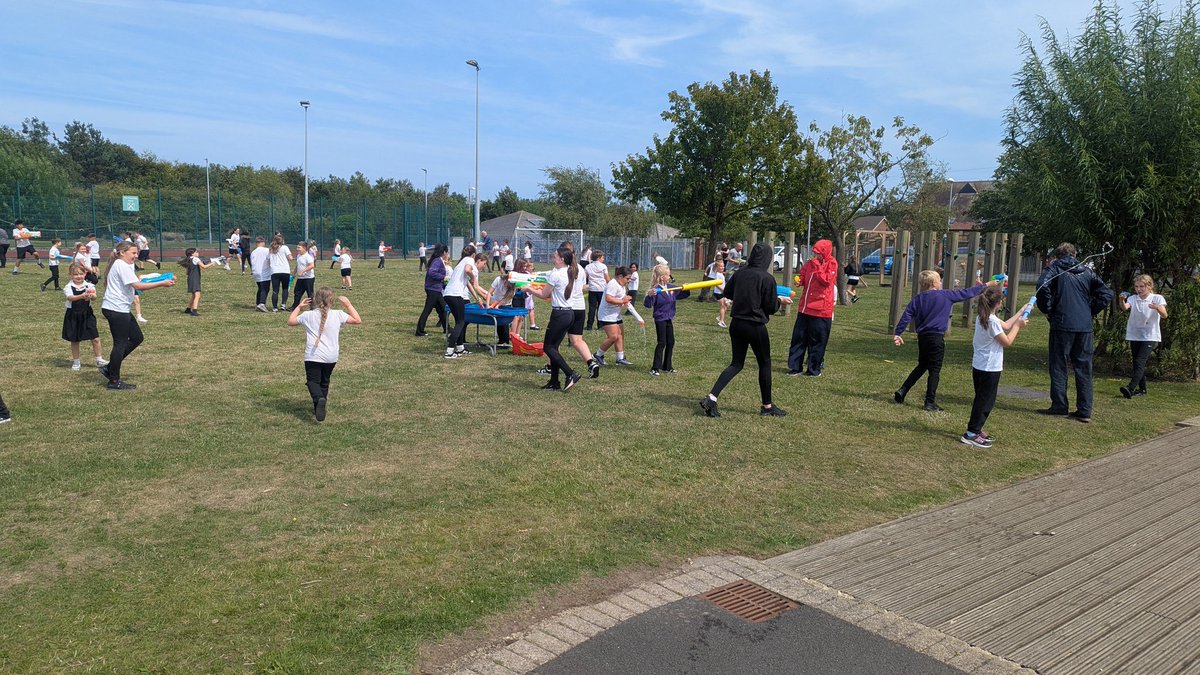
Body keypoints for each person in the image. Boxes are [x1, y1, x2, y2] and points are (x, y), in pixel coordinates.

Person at [702, 242, 791, 418]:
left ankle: (711, 398)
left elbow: (728, 292)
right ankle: (767, 406)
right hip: (755, 326)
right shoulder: (767, 278)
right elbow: (771, 307)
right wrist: (779, 301)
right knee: (764, 363)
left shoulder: (740, 273)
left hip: (736, 324)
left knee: (736, 363)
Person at [893, 270, 1001, 411]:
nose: (941, 282)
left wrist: (898, 333)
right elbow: (967, 293)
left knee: (923, 365)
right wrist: (987, 285)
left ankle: (903, 390)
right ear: (934, 283)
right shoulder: (946, 295)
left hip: (923, 338)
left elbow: (907, 314)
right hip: (936, 338)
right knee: (935, 370)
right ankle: (929, 402)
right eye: (939, 280)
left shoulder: (917, 299)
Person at [1035, 242, 1113, 423]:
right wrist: (1090, 311)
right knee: (1084, 367)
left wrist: (1048, 309)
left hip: (1062, 324)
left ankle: (1059, 406)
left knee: (1058, 365)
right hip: (1084, 326)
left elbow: (1042, 286)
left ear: (1057, 255)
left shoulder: (1055, 269)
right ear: (1075, 254)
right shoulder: (1086, 271)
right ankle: (1085, 410)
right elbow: (1106, 293)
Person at [100, 242, 175, 390]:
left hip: (120, 309)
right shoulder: (121, 264)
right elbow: (137, 286)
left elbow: (135, 283)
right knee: (120, 344)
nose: (136, 255)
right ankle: (114, 381)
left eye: (136, 253)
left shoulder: (123, 265)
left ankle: (110, 368)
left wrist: (152, 280)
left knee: (137, 338)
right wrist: (161, 283)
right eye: (133, 253)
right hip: (116, 309)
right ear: (122, 252)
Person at [961, 286, 1029, 447]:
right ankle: (971, 433)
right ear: (999, 303)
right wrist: (1018, 326)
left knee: (982, 399)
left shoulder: (984, 317)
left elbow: (1005, 325)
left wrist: (1021, 311)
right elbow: (1007, 341)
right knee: (985, 402)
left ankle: (977, 429)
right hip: (989, 368)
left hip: (980, 366)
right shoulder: (991, 321)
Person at [524, 246, 594, 390]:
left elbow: (544, 295)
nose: (552, 257)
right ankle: (554, 382)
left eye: (555, 256)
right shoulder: (570, 271)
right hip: (568, 313)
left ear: (562, 259)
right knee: (554, 347)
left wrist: (529, 289)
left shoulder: (556, 274)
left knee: (548, 348)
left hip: (560, 314)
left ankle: (570, 373)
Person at [288, 287, 362, 422]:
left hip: (313, 356)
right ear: (331, 301)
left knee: (312, 381)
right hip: (332, 356)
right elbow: (357, 320)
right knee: (324, 382)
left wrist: (299, 307)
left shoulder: (307, 315)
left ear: (315, 300)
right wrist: (348, 305)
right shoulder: (339, 314)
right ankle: (319, 406)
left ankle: (319, 399)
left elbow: (291, 321)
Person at [787, 239, 838, 377]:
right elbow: (803, 274)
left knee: (817, 340)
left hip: (821, 310)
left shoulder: (832, 263)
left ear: (826, 253)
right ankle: (795, 367)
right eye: (815, 253)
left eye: (819, 253)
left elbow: (826, 281)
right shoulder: (810, 263)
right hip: (805, 307)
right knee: (799, 337)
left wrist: (817, 266)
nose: (816, 256)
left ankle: (814, 369)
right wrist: (800, 280)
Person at [1119, 275, 1167, 399]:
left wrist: (1157, 307)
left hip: (1150, 335)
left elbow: (1164, 315)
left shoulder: (1157, 298)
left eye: (1141, 287)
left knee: (1140, 361)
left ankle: (1130, 388)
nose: (1138, 289)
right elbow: (1125, 308)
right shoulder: (1134, 298)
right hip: (1135, 334)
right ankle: (1142, 390)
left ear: (1149, 286)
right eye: (1136, 286)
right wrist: (1121, 300)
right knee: (1137, 363)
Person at [442, 245, 489, 359]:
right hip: (455, 294)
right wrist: (473, 276)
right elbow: (468, 270)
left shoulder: (462, 261)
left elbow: (470, 285)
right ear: (474, 255)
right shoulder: (469, 260)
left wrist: (479, 299)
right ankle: (449, 351)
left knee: (460, 321)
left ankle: (460, 348)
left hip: (449, 294)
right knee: (460, 322)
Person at [644, 262, 690, 376]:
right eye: (668, 275)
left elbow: (682, 295)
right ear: (662, 277)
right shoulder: (655, 290)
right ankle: (655, 368)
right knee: (662, 342)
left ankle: (667, 366)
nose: (670, 277)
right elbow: (648, 305)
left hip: (669, 318)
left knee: (671, 342)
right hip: (660, 318)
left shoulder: (671, 288)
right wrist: (649, 295)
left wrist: (687, 288)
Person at [61, 263, 108, 372]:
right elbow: (70, 297)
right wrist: (82, 296)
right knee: (75, 339)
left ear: (85, 274)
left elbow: (95, 297)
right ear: (70, 275)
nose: (78, 276)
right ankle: (76, 362)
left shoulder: (89, 285)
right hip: (73, 315)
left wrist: (92, 295)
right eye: (75, 274)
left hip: (87, 314)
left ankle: (99, 359)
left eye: (81, 274)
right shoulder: (68, 287)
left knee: (95, 337)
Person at [594, 266, 634, 367]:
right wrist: (622, 301)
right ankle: (598, 355)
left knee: (620, 335)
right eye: (627, 278)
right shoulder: (613, 284)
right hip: (607, 315)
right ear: (620, 276)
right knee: (613, 336)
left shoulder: (621, 285)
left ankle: (620, 358)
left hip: (616, 314)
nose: (628, 281)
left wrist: (625, 299)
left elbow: (620, 297)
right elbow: (608, 298)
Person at [416, 244, 450, 337]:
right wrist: (443, 277)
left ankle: (447, 328)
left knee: (443, 309)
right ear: (444, 252)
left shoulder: (438, 260)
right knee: (427, 310)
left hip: (436, 288)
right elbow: (432, 272)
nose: (447, 254)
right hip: (433, 289)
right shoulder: (437, 261)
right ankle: (419, 331)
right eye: (447, 252)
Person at [180, 247, 217, 316]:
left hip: (190, 278)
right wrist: (212, 263)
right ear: (192, 253)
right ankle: (194, 311)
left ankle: (188, 309)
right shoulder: (195, 259)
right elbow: (204, 267)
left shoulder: (189, 259)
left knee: (194, 295)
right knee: (197, 295)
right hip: (195, 279)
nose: (198, 253)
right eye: (196, 252)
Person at [584, 249, 609, 331]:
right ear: (598, 258)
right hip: (602, 289)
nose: (603, 259)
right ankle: (600, 325)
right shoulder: (603, 266)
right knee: (600, 308)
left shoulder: (588, 266)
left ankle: (589, 325)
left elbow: (586, 277)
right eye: (602, 257)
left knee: (592, 308)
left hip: (592, 289)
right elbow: (607, 278)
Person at [290, 242, 316, 310]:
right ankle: (295, 306)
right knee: (297, 292)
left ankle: (313, 307)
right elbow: (298, 265)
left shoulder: (308, 257)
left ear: (304, 248)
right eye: (297, 247)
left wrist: (303, 271)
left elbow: (312, 265)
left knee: (310, 293)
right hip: (300, 278)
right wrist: (294, 273)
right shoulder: (298, 255)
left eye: (299, 247)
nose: (297, 249)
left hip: (308, 278)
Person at [249, 237, 271, 311]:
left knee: (260, 288)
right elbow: (270, 259)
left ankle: (258, 304)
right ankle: (262, 303)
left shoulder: (253, 252)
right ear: (263, 242)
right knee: (265, 288)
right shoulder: (266, 250)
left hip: (256, 272)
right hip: (264, 272)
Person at [711, 260, 730, 327]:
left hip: (722, 292)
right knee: (723, 306)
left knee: (727, 304)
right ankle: (721, 321)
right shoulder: (717, 274)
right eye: (721, 266)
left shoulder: (721, 274)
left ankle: (720, 316)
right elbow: (716, 284)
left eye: (723, 266)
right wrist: (723, 289)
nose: (722, 267)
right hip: (719, 293)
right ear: (717, 267)